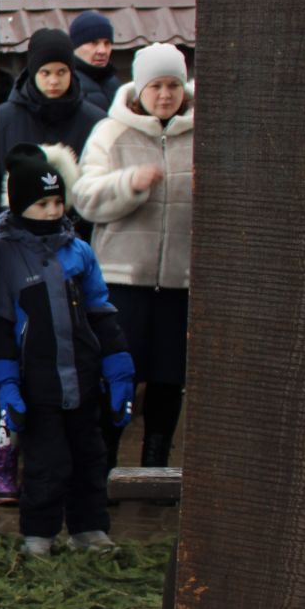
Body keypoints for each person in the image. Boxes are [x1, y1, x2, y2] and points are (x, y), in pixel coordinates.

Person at [0, 143, 132, 556]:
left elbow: (100, 309)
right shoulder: (5, 256)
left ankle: (89, 528)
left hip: (84, 376)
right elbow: (0, 323)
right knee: (46, 463)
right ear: (19, 205)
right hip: (39, 381)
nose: (53, 211)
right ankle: (39, 533)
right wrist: (6, 384)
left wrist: (118, 365)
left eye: (57, 201)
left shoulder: (79, 250)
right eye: (41, 204)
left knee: (90, 456)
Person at [72, 43, 194, 469]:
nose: (165, 95)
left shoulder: (203, 133)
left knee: (169, 377)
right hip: (123, 281)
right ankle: (103, 461)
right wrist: (130, 184)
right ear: (140, 89)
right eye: (156, 86)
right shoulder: (110, 132)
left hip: (181, 280)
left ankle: (156, 463)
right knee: (117, 373)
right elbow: (85, 199)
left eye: (173, 85)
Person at [0, 27, 106, 234]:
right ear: (34, 72)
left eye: (61, 72)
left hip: (79, 242)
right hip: (14, 241)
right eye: (46, 73)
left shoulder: (96, 122)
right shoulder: (2, 121)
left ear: (71, 72)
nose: (54, 81)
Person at [69, 10, 119, 112]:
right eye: (93, 43)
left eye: (107, 43)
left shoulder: (114, 83)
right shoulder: (66, 85)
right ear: (75, 46)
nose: (102, 51)